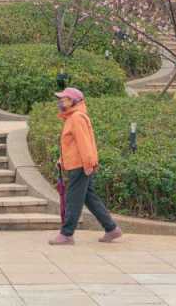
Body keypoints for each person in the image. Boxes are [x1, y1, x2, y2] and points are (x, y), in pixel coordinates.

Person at [49, 87, 121, 245]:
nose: (61, 101)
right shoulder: (72, 117)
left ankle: (67, 234)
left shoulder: (76, 118)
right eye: (61, 98)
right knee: (90, 198)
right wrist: (62, 159)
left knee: (73, 200)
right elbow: (71, 144)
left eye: (64, 99)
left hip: (80, 165)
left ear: (74, 101)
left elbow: (85, 143)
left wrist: (88, 164)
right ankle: (111, 228)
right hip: (77, 163)